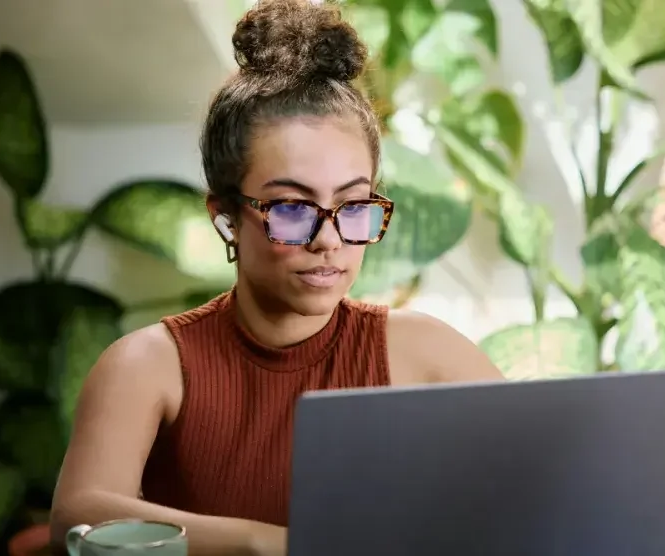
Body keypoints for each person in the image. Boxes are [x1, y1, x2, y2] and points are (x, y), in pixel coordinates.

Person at [49, 0, 503, 554]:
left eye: (354, 205)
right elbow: (77, 514)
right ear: (227, 218)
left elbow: (546, 475)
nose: (329, 239)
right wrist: (265, 543)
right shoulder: (149, 365)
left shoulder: (424, 352)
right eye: (292, 207)